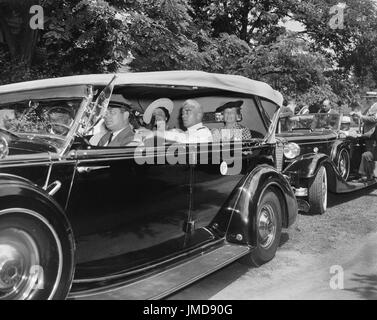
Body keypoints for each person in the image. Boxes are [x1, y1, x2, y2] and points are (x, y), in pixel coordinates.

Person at [352, 103, 377, 181]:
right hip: (368, 135)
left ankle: (370, 175)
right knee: (365, 154)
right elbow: (363, 121)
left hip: (372, 138)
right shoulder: (367, 108)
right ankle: (364, 175)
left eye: (369, 98)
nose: (368, 100)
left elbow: (374, 119)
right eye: (367, 98)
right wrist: (355, 117)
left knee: (369, 155)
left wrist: (361, 116)